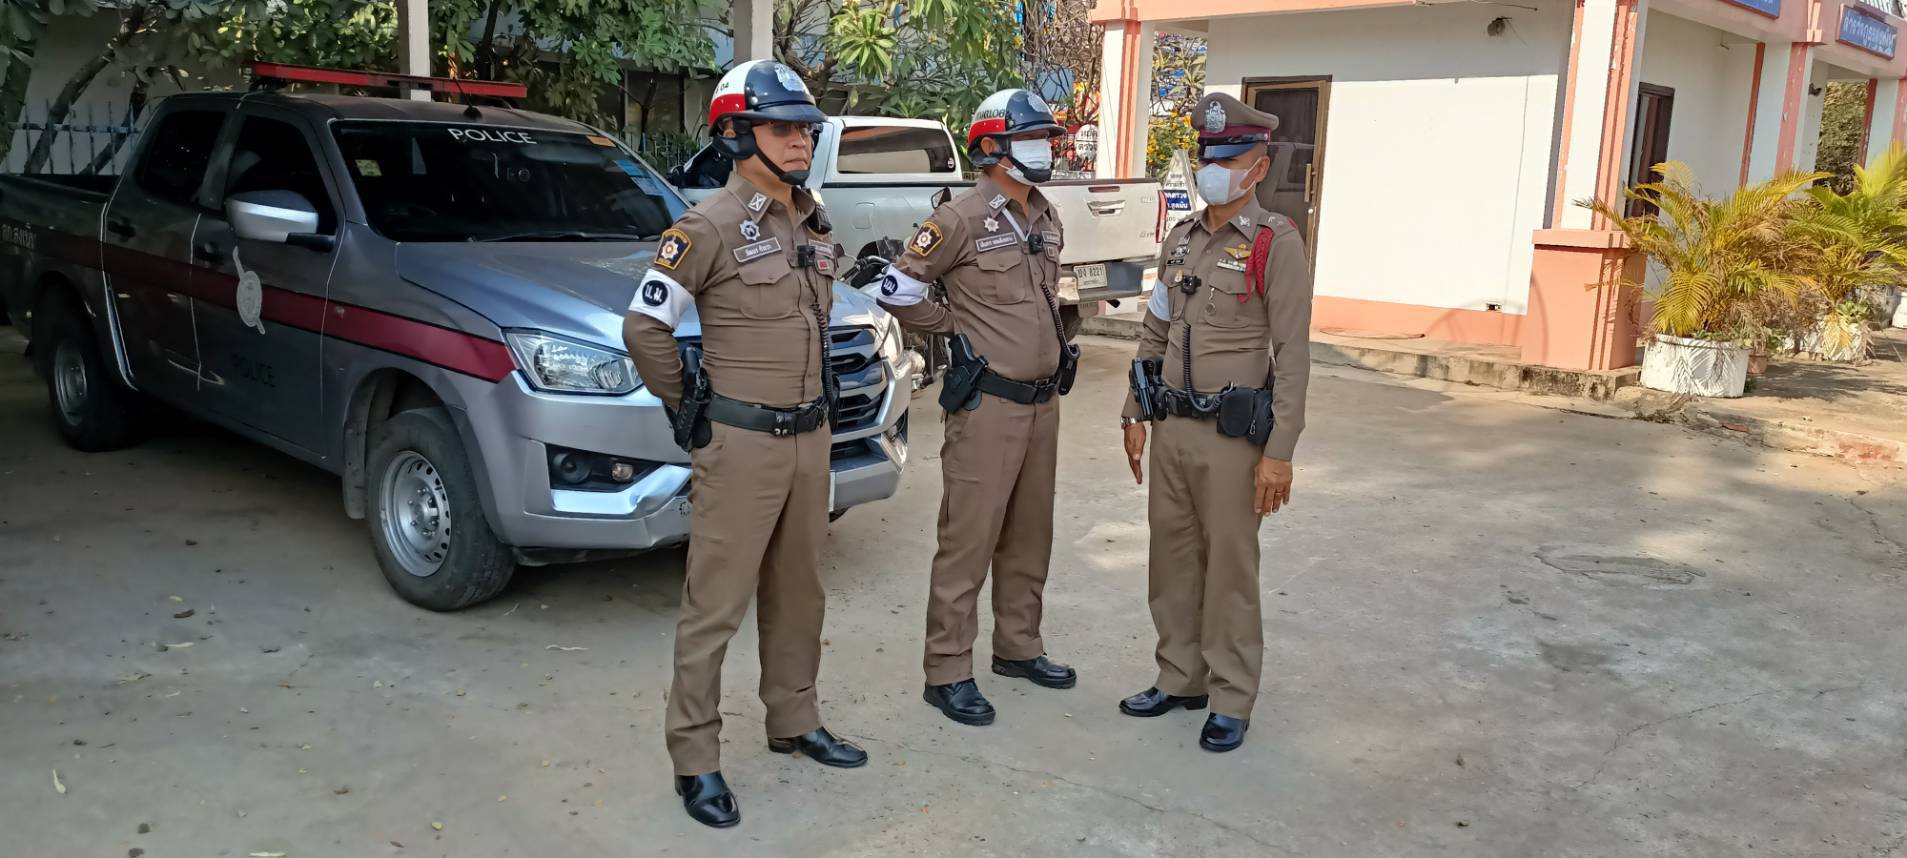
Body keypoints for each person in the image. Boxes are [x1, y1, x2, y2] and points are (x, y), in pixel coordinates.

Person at [623, 59, 866, 829]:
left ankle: (794, 719)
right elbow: (645, 327)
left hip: (809, 438)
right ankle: (695, 759)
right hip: (741, 443)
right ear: (734, 134)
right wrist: (689, 408)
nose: (800, 141)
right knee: (714, 606)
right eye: (781, 128)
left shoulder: (811, 221)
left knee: (800, 592)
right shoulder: (706, 228)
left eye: (805, 129)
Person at [875, 88, 1080, 727]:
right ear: (991, 147)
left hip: (1042, 404)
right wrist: (956, 327)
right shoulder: (958, 219)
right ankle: (947, 671)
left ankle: (1018, 647)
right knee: (968, 540)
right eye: (1031, 138)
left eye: (1046, 138)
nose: (1044, 149)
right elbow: (896, 289)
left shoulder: (1044, 214)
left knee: (1029, 535)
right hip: (988, 405)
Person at [1117, 92, 1313, 753]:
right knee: (1171, 560)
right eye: (1208, 157)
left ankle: (1230, 696)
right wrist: (1134, 409)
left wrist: (1279, 451)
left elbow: (1292, 354)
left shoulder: (1274, 243)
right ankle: (1180, 678)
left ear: (1259, 167)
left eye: (1229, 160)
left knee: (1229, 568)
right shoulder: (1181, 238)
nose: (1215, 171)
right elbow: (1155, 329)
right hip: (1171, 429)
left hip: (1232, 439)